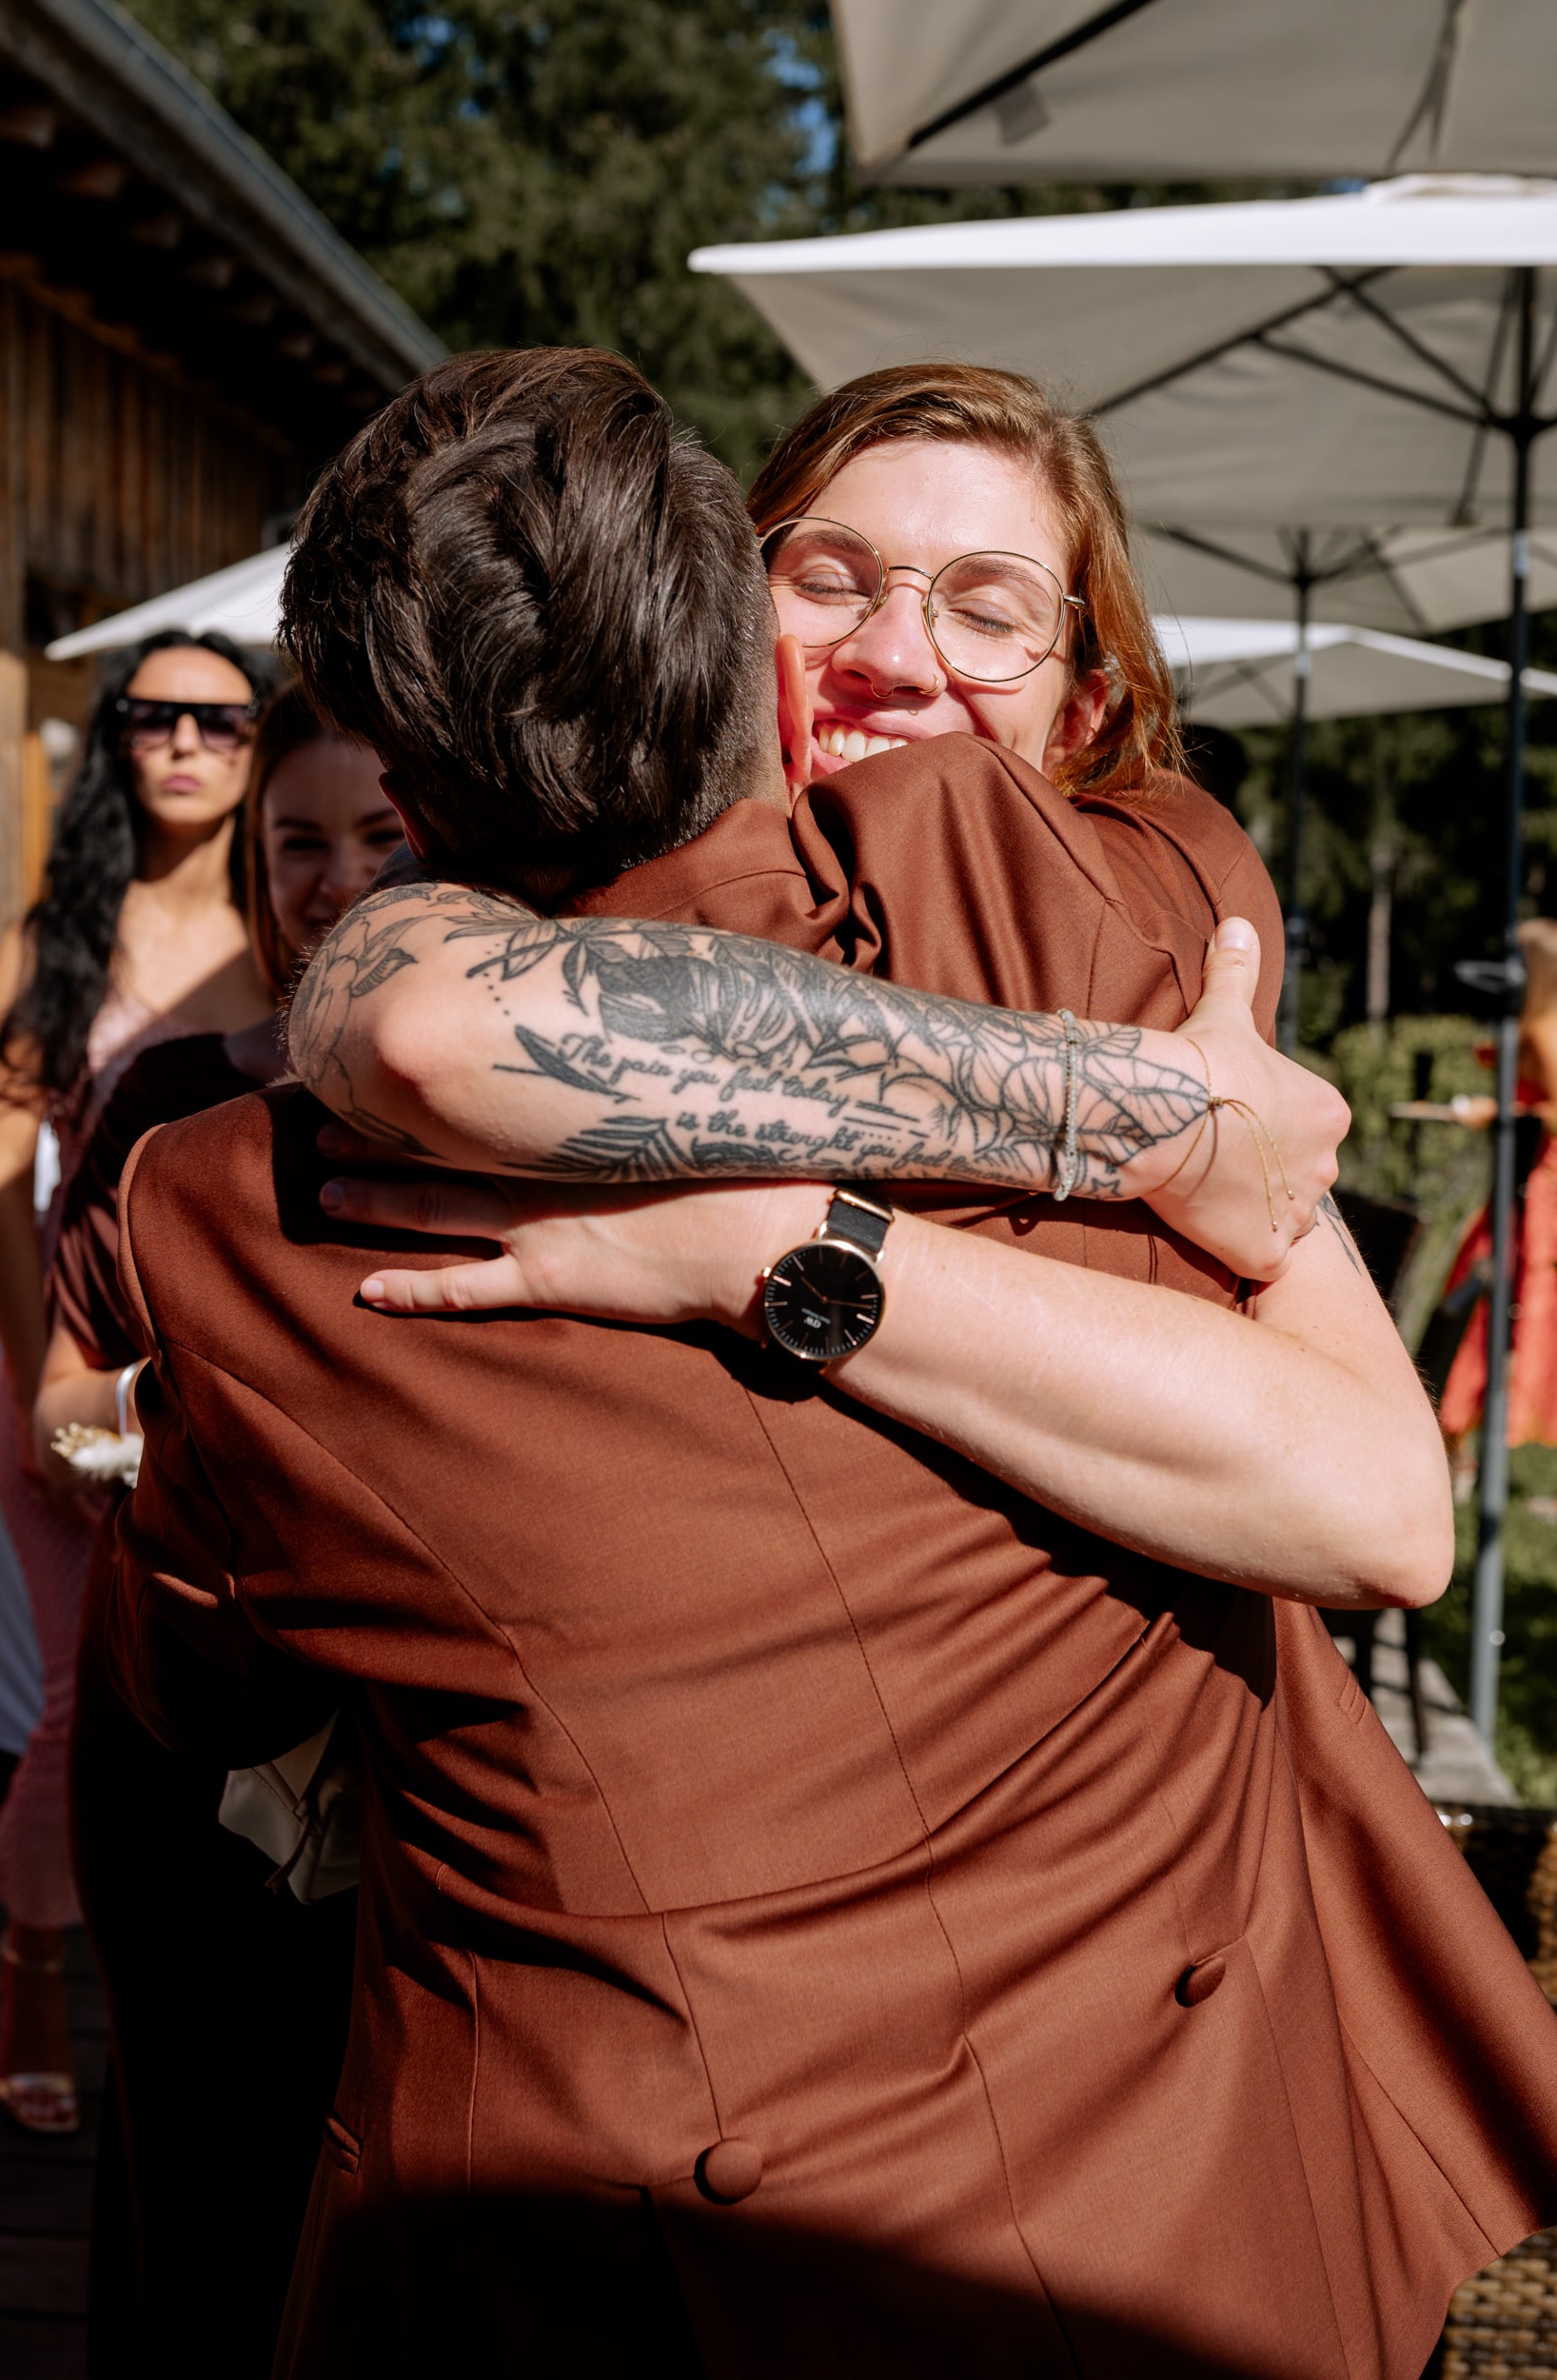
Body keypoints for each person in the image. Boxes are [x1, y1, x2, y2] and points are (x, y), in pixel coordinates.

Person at [105, 350, 1547, 2380]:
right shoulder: (1114, 965)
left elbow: (1380, 1506)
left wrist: (782, 1243)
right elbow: (421, 1009)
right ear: (717, 604)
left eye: (989, 609)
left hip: (902, 2191)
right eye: (835, 579)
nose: (895, 660)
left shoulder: (1143, 899)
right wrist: (1105, 1112)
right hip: (1043, 2237)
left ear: (1096, 704)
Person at [30, 685, 397, 2380]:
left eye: (381, 837)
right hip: (182, 1698)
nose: (333, 879)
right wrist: (165, 1448)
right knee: (193, 2153)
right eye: (296, 842)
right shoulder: (172, 1093)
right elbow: (53, 1409)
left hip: (401, 1720)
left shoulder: (533, 1123)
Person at [0, 629, 272, 2134]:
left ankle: (166, 1979)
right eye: (154, 717)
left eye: (221, 722)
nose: (186, 744)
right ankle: (32, 1963)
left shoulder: (288, 922)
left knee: (200, 1685)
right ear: (117, 741)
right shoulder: (59, 933)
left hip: (220, 1359)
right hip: (67, 1353)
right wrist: (39, 1388)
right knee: (74, 1692)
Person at [1435, 918, 1557, 1467]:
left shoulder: (1546, 1033)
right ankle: (1469, 1436)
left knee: (1505, 1292)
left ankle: (1477, 1432)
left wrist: (1500, 1113)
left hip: (1538, 1189)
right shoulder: (1533, 1027)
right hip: (1520, 1179)